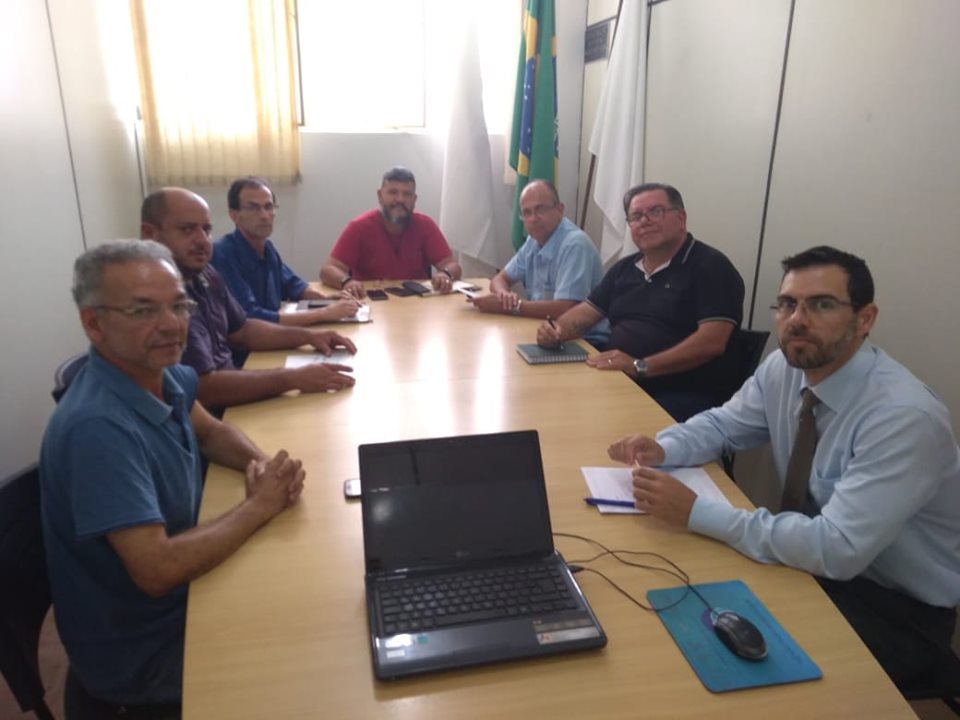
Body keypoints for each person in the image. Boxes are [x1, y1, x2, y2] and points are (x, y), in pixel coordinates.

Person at [607, 246, 960, 686]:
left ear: (865, 319)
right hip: (810, 568)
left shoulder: (903, 418)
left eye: (821, 305)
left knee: (696, 664)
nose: (797, 320)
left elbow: (836, 548)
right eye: (788, 304)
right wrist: (663, 447)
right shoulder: (787, 366)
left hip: (892, 610)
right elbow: (724, 425)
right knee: (659, 599)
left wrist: (695, 511)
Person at [40, 240, 308, 715]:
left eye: (179, 306)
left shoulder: (163, 376)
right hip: (144, 654)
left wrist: (267, 468)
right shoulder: (97, 428)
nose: (171, 325)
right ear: (93, 323)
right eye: (143, 311)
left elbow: (212, 433)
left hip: (182, 603)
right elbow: (157, 570)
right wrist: (258, 505)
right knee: (310, 657)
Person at [536, 182, 744, 421]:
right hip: (620, 380)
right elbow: (585, 313)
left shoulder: (712, 267)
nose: (645, 221)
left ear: (681, 218)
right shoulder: (625, 268)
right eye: (636, 216)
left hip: (683, 393)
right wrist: (557, 330)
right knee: (553, 402)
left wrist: (640, 366)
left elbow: (711, 342)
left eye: (656, 211)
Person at [140, 188, 357, 413]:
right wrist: (292, 378)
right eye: (187, 229)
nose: (202, 240)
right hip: (216, 409)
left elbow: (243, 330)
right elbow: (203, 388)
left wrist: (310, 337)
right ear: (150, 234)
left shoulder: (206, 273)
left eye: (206, 229)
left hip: (234, 396)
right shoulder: (154, 299)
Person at [468, 179, 609, 346]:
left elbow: (566, 308)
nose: (533, 218)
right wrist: (504, 296)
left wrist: (512, 307)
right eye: (526, 213)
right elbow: (500, 279)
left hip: (584, 340)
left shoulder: (575, 244)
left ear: (560, 210)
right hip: (546, 331)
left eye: (540, 209)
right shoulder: (533, 241)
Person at [211, 176, 360, 325]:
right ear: (234, 215)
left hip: (270, 335)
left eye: (269, 207)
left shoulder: (267, 249)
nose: (264, 216)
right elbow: (250, 318)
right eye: (253, 208)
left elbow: (294, 286)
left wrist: (326, 300)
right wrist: (323, 313)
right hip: (248, 339)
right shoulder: (223, 254)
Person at [319, 166, 462, 298]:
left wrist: (445, 274)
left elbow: (452, 265)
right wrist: (346, 282)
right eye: (393, 192)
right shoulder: (359, 227)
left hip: (416, 304)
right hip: (371, 303)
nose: (400, 199)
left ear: (414, 199)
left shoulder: (426, 225)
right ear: (380, 195)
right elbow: (328, 270)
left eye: (407, 194)